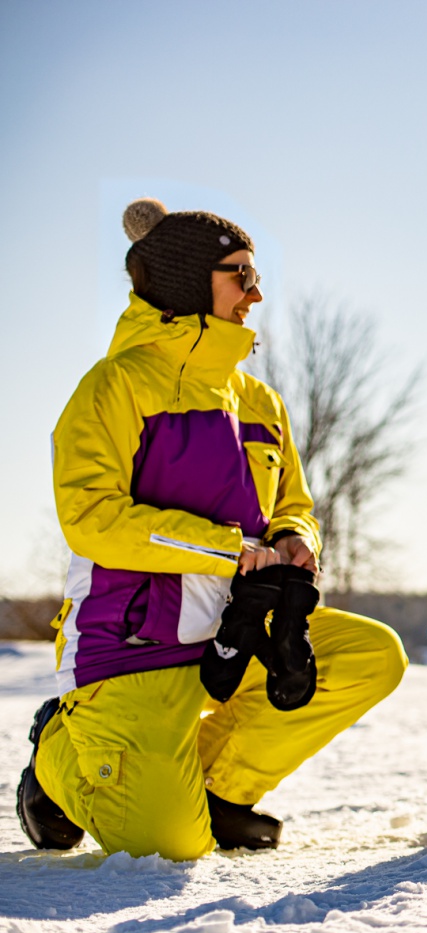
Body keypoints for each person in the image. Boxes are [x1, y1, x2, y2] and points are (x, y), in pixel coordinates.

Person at [15, 198, 407, 860]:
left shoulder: (260, 402)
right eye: (240, 274)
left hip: (234, 633)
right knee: (168, 850)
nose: (257, 294)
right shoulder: (115, 388)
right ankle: (59, 756)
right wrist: (230, 549)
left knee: (371, 655)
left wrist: (294, 540)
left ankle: (219, 793)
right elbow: (91, 519)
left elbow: (294, 503)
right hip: (130, 647)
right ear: (190, 280)